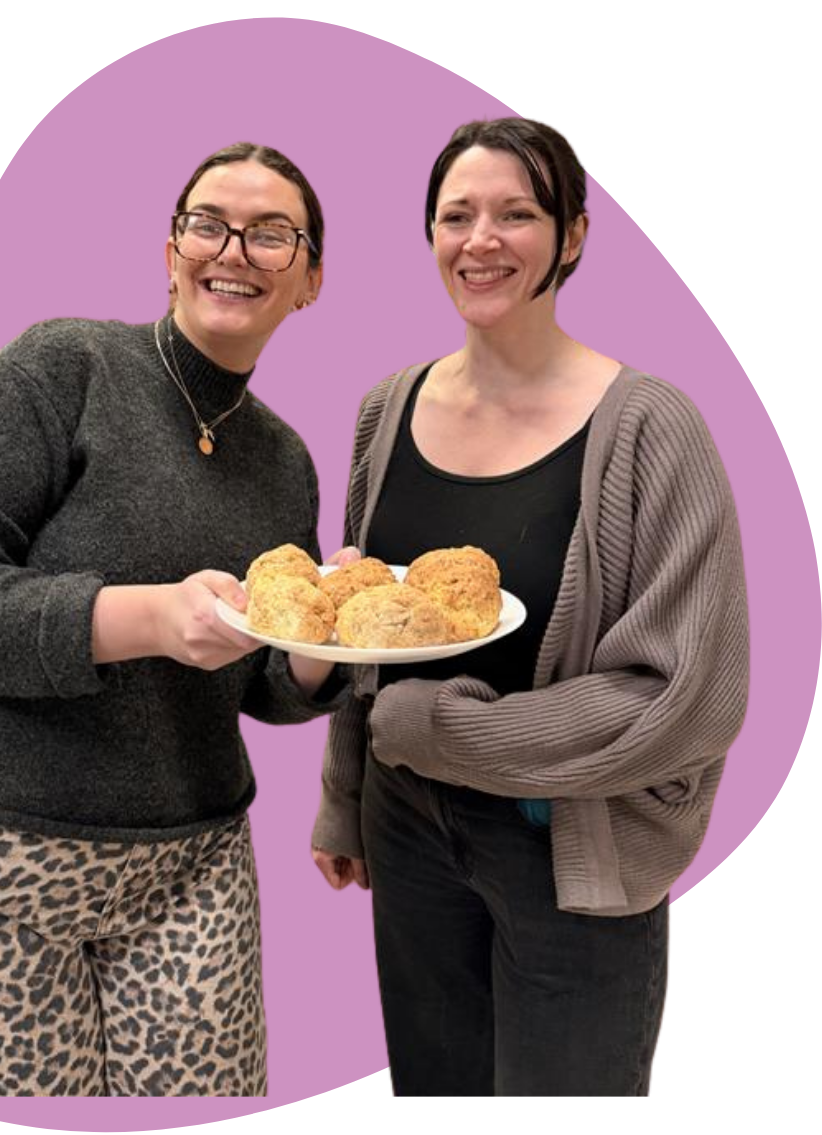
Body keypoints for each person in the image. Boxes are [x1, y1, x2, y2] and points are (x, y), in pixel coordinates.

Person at [0, 142, 350, 1097]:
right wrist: (143, 618)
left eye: (273, 234)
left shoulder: (285, 458)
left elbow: (252, 682)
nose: (235, 249)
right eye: (209, 224)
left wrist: (326, 644)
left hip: (187, 867)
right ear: (171, 252)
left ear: (311, 280)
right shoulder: (63, 366)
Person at [310, 118, 749, 1097]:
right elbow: (369, 625)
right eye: (457, 215)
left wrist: (436, 729)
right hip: (405, 825)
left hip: (570, 839)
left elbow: (683, 698)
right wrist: (346, 796)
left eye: (517, 213)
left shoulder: (651, 428)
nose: (482, 239)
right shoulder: (388, 408)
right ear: (429, 235)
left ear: (575, 235)